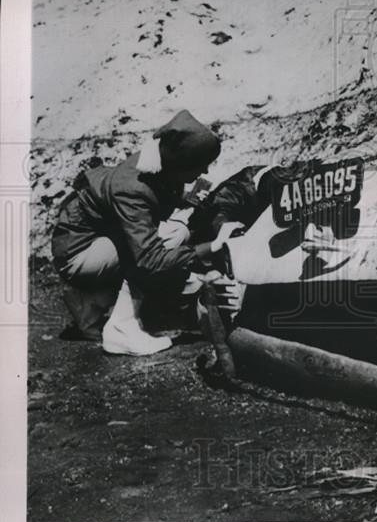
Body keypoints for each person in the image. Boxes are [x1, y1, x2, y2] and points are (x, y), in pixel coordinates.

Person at [51, 110, 240, 355]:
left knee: (174, 233)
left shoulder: (158, 163)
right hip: (78, 254)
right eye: (199, 165)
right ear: (180, 163)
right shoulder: (132, 186)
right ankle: (120, 330)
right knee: (169, 238)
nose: (203, 172)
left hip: (96, 242)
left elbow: (158, 203)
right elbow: (149, 258)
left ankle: (98, 303)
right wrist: (210, 248)